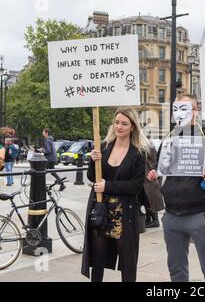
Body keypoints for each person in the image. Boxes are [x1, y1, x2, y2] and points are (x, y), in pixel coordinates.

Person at [147, 94, 205, 282]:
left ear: (196, 111)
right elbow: (160, 167)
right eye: (176, 109)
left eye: (185, 108)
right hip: (171, 215)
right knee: (176, 271)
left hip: (200, 215)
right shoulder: (169, 139)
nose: (179, 113)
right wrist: (154, 173)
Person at [81, 108, 149, 282]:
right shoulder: (103, 146)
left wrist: (107, 186)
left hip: (124, 214)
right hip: (101, 210)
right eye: (117, 122)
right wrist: (92, 161)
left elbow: (135, 186)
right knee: (97, 259)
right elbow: (92, 177)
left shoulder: (138, 153)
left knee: (127, 261)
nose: (119, 127)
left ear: (133, 127)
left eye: (124, 123)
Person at [143, 141, 164, 228]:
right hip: (146, 176)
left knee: (151, 199)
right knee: (147, 199)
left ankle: (155, 220)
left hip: (151, 176)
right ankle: (148, 219)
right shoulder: (147, 145)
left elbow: (155, 161)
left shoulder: (149, 146)